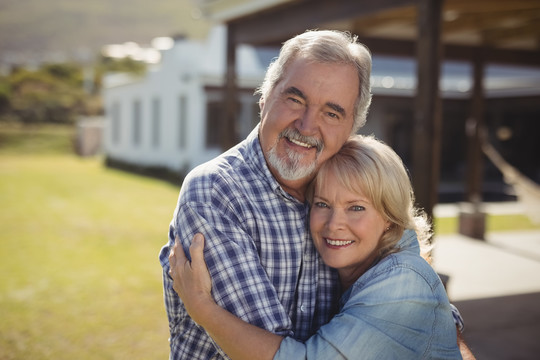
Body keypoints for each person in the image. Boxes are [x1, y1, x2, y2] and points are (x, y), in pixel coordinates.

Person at [159, 29, 471, 359]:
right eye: (295, 99)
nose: (307, 126)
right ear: (265, 97)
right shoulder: (217, 193)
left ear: (351, 128)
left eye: (331, 112)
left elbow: (423, 306)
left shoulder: (347, 182)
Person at [169, 135, 463, 359]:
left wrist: (202, 308)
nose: (334, 224)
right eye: (322, 204)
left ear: (389, 217)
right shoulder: (363, 273)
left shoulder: (402, 279)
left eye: (356, 208)